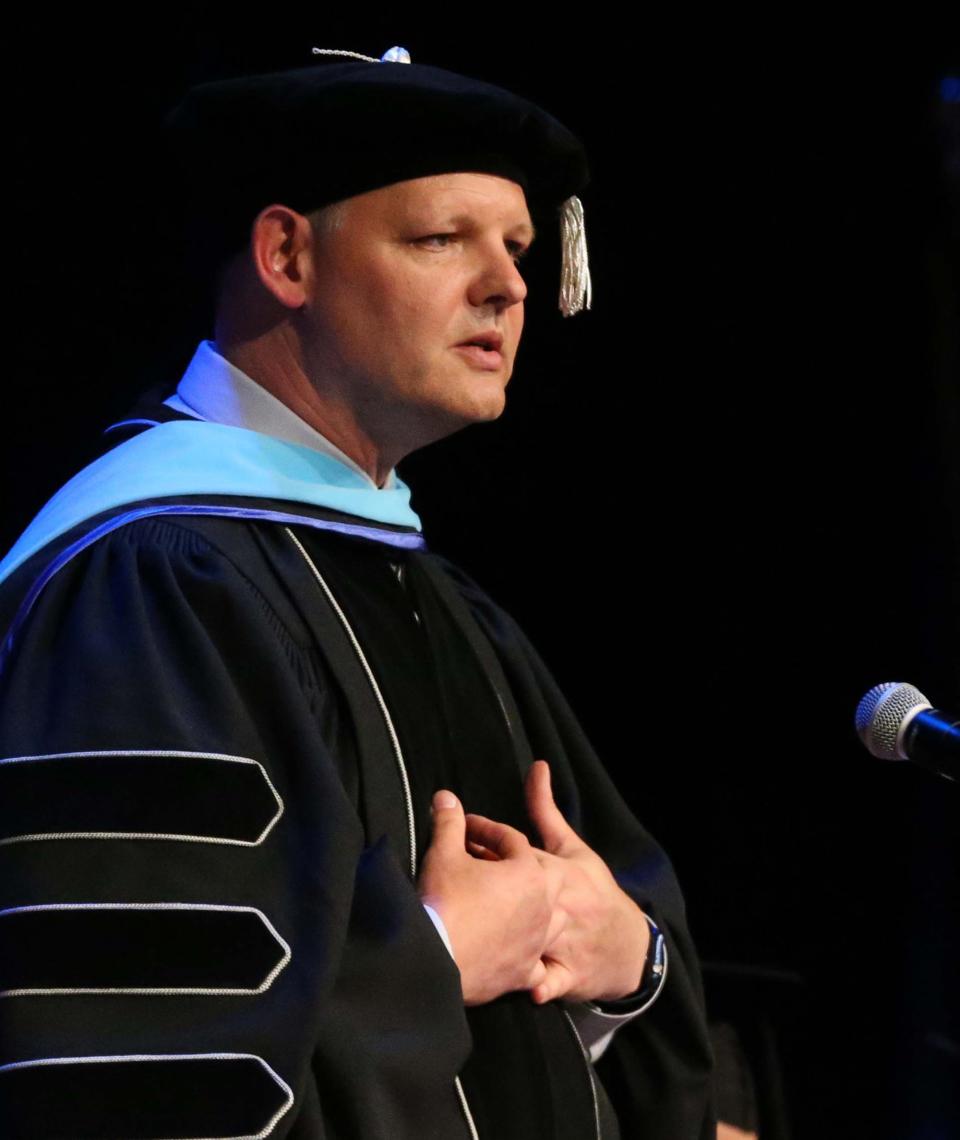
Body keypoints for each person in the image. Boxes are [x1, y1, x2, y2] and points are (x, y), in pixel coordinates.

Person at [0, 50, 714, 1139]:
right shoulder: (147, 580)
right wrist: (426, 962)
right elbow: (128, 1037)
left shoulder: (444, 602)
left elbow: (612, 931)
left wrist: (627, 955)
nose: (509, 286)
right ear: (287, 254)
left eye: (519, 249)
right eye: (441, 239)